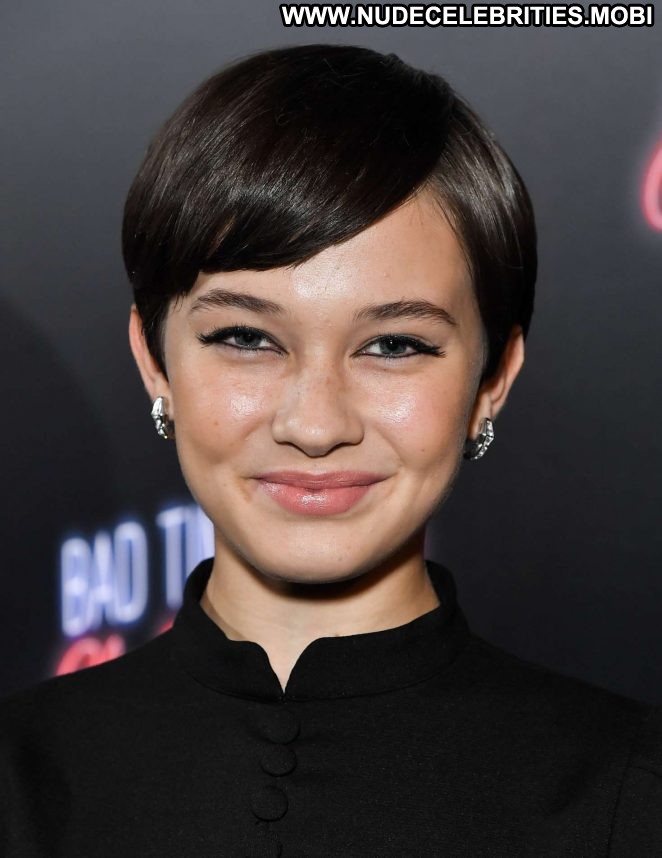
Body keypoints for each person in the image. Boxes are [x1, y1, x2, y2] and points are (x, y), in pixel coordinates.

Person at [1, 42, 660, 858]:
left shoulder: (631, 794)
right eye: (245, 337)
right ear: (154, 362)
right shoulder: (18, 784)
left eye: (394, 346)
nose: (315, 426)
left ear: (492, 380)